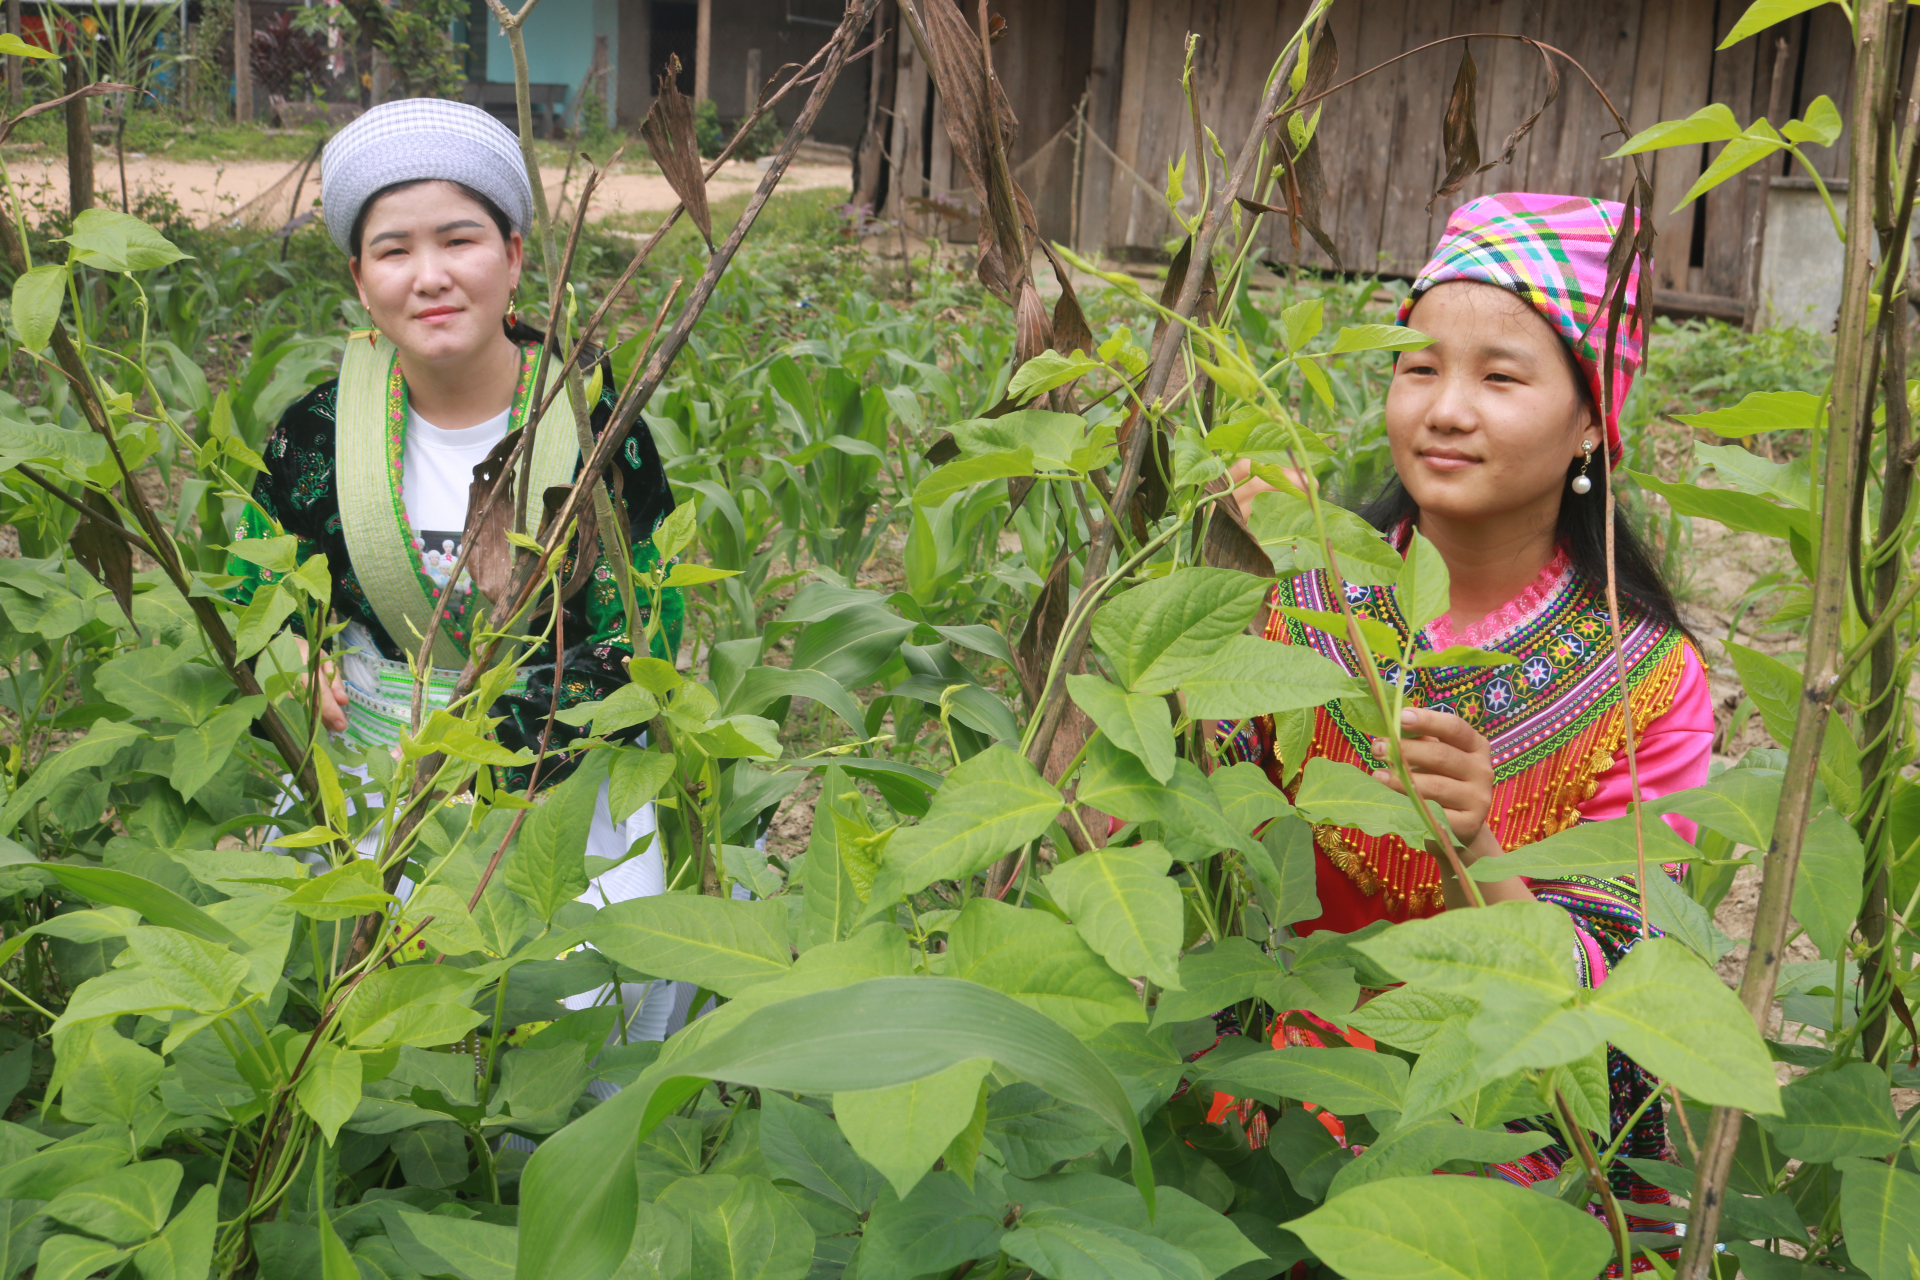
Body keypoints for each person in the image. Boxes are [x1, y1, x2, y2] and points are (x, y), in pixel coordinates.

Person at [1222, 193, 1711, 1268]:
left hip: (1508, 1114)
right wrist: (1217, 588)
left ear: (1592, 420)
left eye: (1500, 377)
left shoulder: (1645, 681)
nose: (1444, 410)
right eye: (1418, 367)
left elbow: (1608, 1001)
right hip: (1278, 1075)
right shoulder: (1302, 594)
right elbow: (1181, 828)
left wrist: (1475, 845)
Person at [227, 99, 684, 1042]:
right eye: (393, 250)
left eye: (460, 240)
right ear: (360, 281)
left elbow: (643, 634)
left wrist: (493, 754)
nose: (429, 276)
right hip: (367, 767)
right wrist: (290, 658)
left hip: (554, 787)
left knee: (584, 1002)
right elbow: (254, 589)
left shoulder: (593, 429)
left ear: (513, 257)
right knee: (337, 994)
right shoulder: (318, 433)